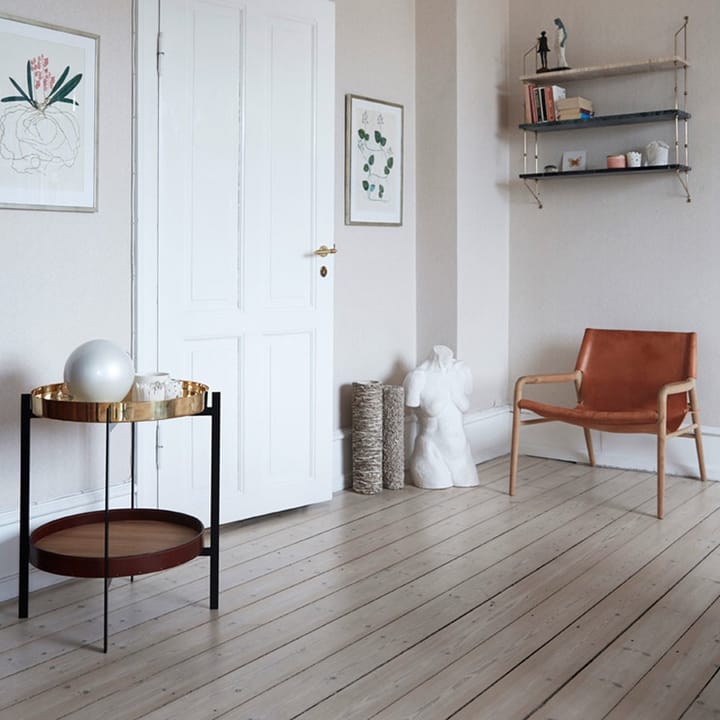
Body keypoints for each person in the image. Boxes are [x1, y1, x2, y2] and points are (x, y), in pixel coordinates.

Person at [403, 345, 478, 489]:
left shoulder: (460, 371)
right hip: (431, 453)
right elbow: (411, 406)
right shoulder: (418, 376)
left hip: (462, 453)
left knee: (467, 483)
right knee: (439, 483)